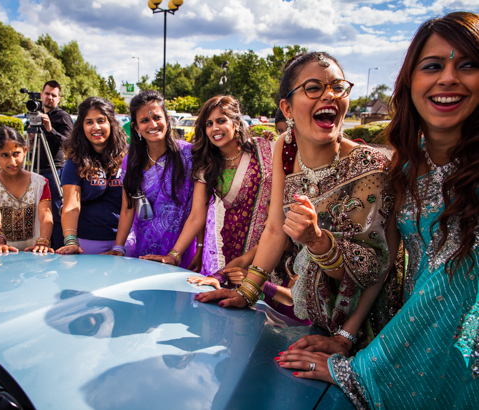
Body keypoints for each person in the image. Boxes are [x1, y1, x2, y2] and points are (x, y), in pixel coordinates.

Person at [277, 12, 479, 409]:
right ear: (411, 82)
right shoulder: (405, 165)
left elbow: (450, 283)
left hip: (456, 350)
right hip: (410, 336)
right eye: (433, 66)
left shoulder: (372, 165)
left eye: (469, 64)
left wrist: (357, 368)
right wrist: (346, 339)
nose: (449, 78)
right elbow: (388, 263)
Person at [196, 52, 403, 355]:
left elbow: (376, 268)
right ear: (287, 108)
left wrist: (345, 337)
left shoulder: (369, 168)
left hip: (362, 327)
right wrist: (248, 292)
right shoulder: (285, 146)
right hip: (304, 314)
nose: (329, 95)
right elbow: (275, 229)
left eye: (338, 87)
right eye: (313, 88)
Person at [102, 90, 198, 269]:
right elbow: (128, 208)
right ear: (136, 128)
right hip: (146, 248)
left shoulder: (188, 155)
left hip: (181, 249)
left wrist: (199, 249)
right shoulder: (130, 162)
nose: (153, 124)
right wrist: (119, 246)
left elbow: (200, 210)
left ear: (167, 120)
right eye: (145, 120)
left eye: (157, 117)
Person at [56, 97, 127, 255]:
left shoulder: (128, 155)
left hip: (125, 241)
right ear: (82, 126)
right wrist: (71, 240)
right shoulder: (75, 160)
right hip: (87, 241)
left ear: (111, 123)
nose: (96, 127)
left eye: (101, 120)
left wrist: (120, 245)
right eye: (89, 122)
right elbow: (71, 205)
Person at [0, 126, 54, 253]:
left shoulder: (40, 183)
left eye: (16, 154)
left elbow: (45, 215)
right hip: (2, 252)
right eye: (4, 155)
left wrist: (43, 241)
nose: (12, 161)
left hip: (35, 252)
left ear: (25, 151)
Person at [29, 80, 74, 250]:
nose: (49, 98)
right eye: (47, 94)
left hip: (54, 170)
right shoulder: (36, 115)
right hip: (36, 170)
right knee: (38, 213)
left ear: (59, 98)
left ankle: (56, 248)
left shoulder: (62, 117)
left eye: (53, 95)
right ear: (41, 95)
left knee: (55, 213)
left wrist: (50, 129)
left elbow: (70, 143)